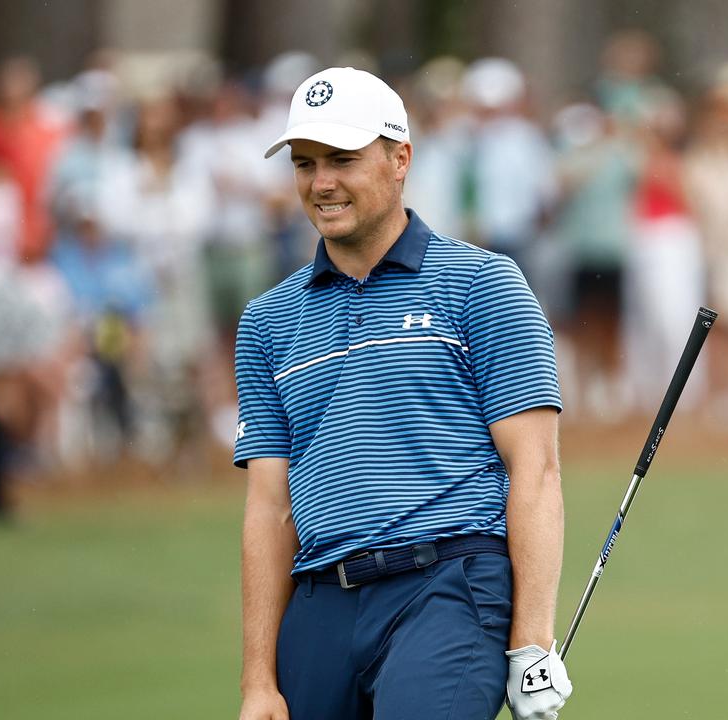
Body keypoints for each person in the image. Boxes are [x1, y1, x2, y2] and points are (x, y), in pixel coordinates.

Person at [234, 67, 573, 720]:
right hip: (319, 604)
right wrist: (257, 680)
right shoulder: (267, 321)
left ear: (399, 160)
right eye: (305, 164)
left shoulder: (482, 284)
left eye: (342, 160)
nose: (321, 183)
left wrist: (531, 641)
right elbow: (269, 508)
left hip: (447, 588)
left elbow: (534, 468)